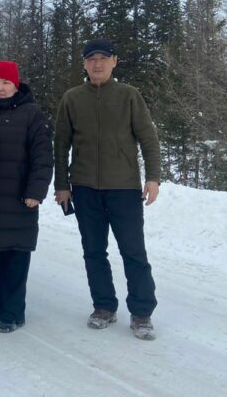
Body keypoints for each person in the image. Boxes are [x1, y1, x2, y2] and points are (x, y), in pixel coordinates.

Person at [53, 39, 161, 341]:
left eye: (103, 58)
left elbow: (148, 138)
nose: (97, 64)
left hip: (124, 189)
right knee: (93, 252)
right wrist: (62, 184)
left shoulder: (129, 96)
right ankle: (104, 306)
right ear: (84, 64)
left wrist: (153, 177)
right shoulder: (72, 98)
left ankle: (141, 313)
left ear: (114, 61)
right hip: (85, 188)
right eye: (91, 59)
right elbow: (61, 145)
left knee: (133, 252)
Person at [0, 60, 53, 333]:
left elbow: (43, 158)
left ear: (15, 86)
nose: (0, 87)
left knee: (16, 258)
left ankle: (13, 312)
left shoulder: (31, 114)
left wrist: (35, 192)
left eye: (6, 83)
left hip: (19, 199)